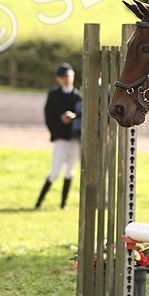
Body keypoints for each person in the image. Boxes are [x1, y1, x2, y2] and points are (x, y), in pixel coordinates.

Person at [36, 62, 83, 209]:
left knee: (70, 171)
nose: (66, 79)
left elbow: (83, 114)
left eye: (68, 76)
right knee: (55, 171)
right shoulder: (54, 94)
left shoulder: (79, 96)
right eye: (63, 77)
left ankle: (63, 203)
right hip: (60, 137)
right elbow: (49, 116)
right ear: (58, 78)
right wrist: (55, 134)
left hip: (75, 138)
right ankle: (38, 202)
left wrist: (74, 116)